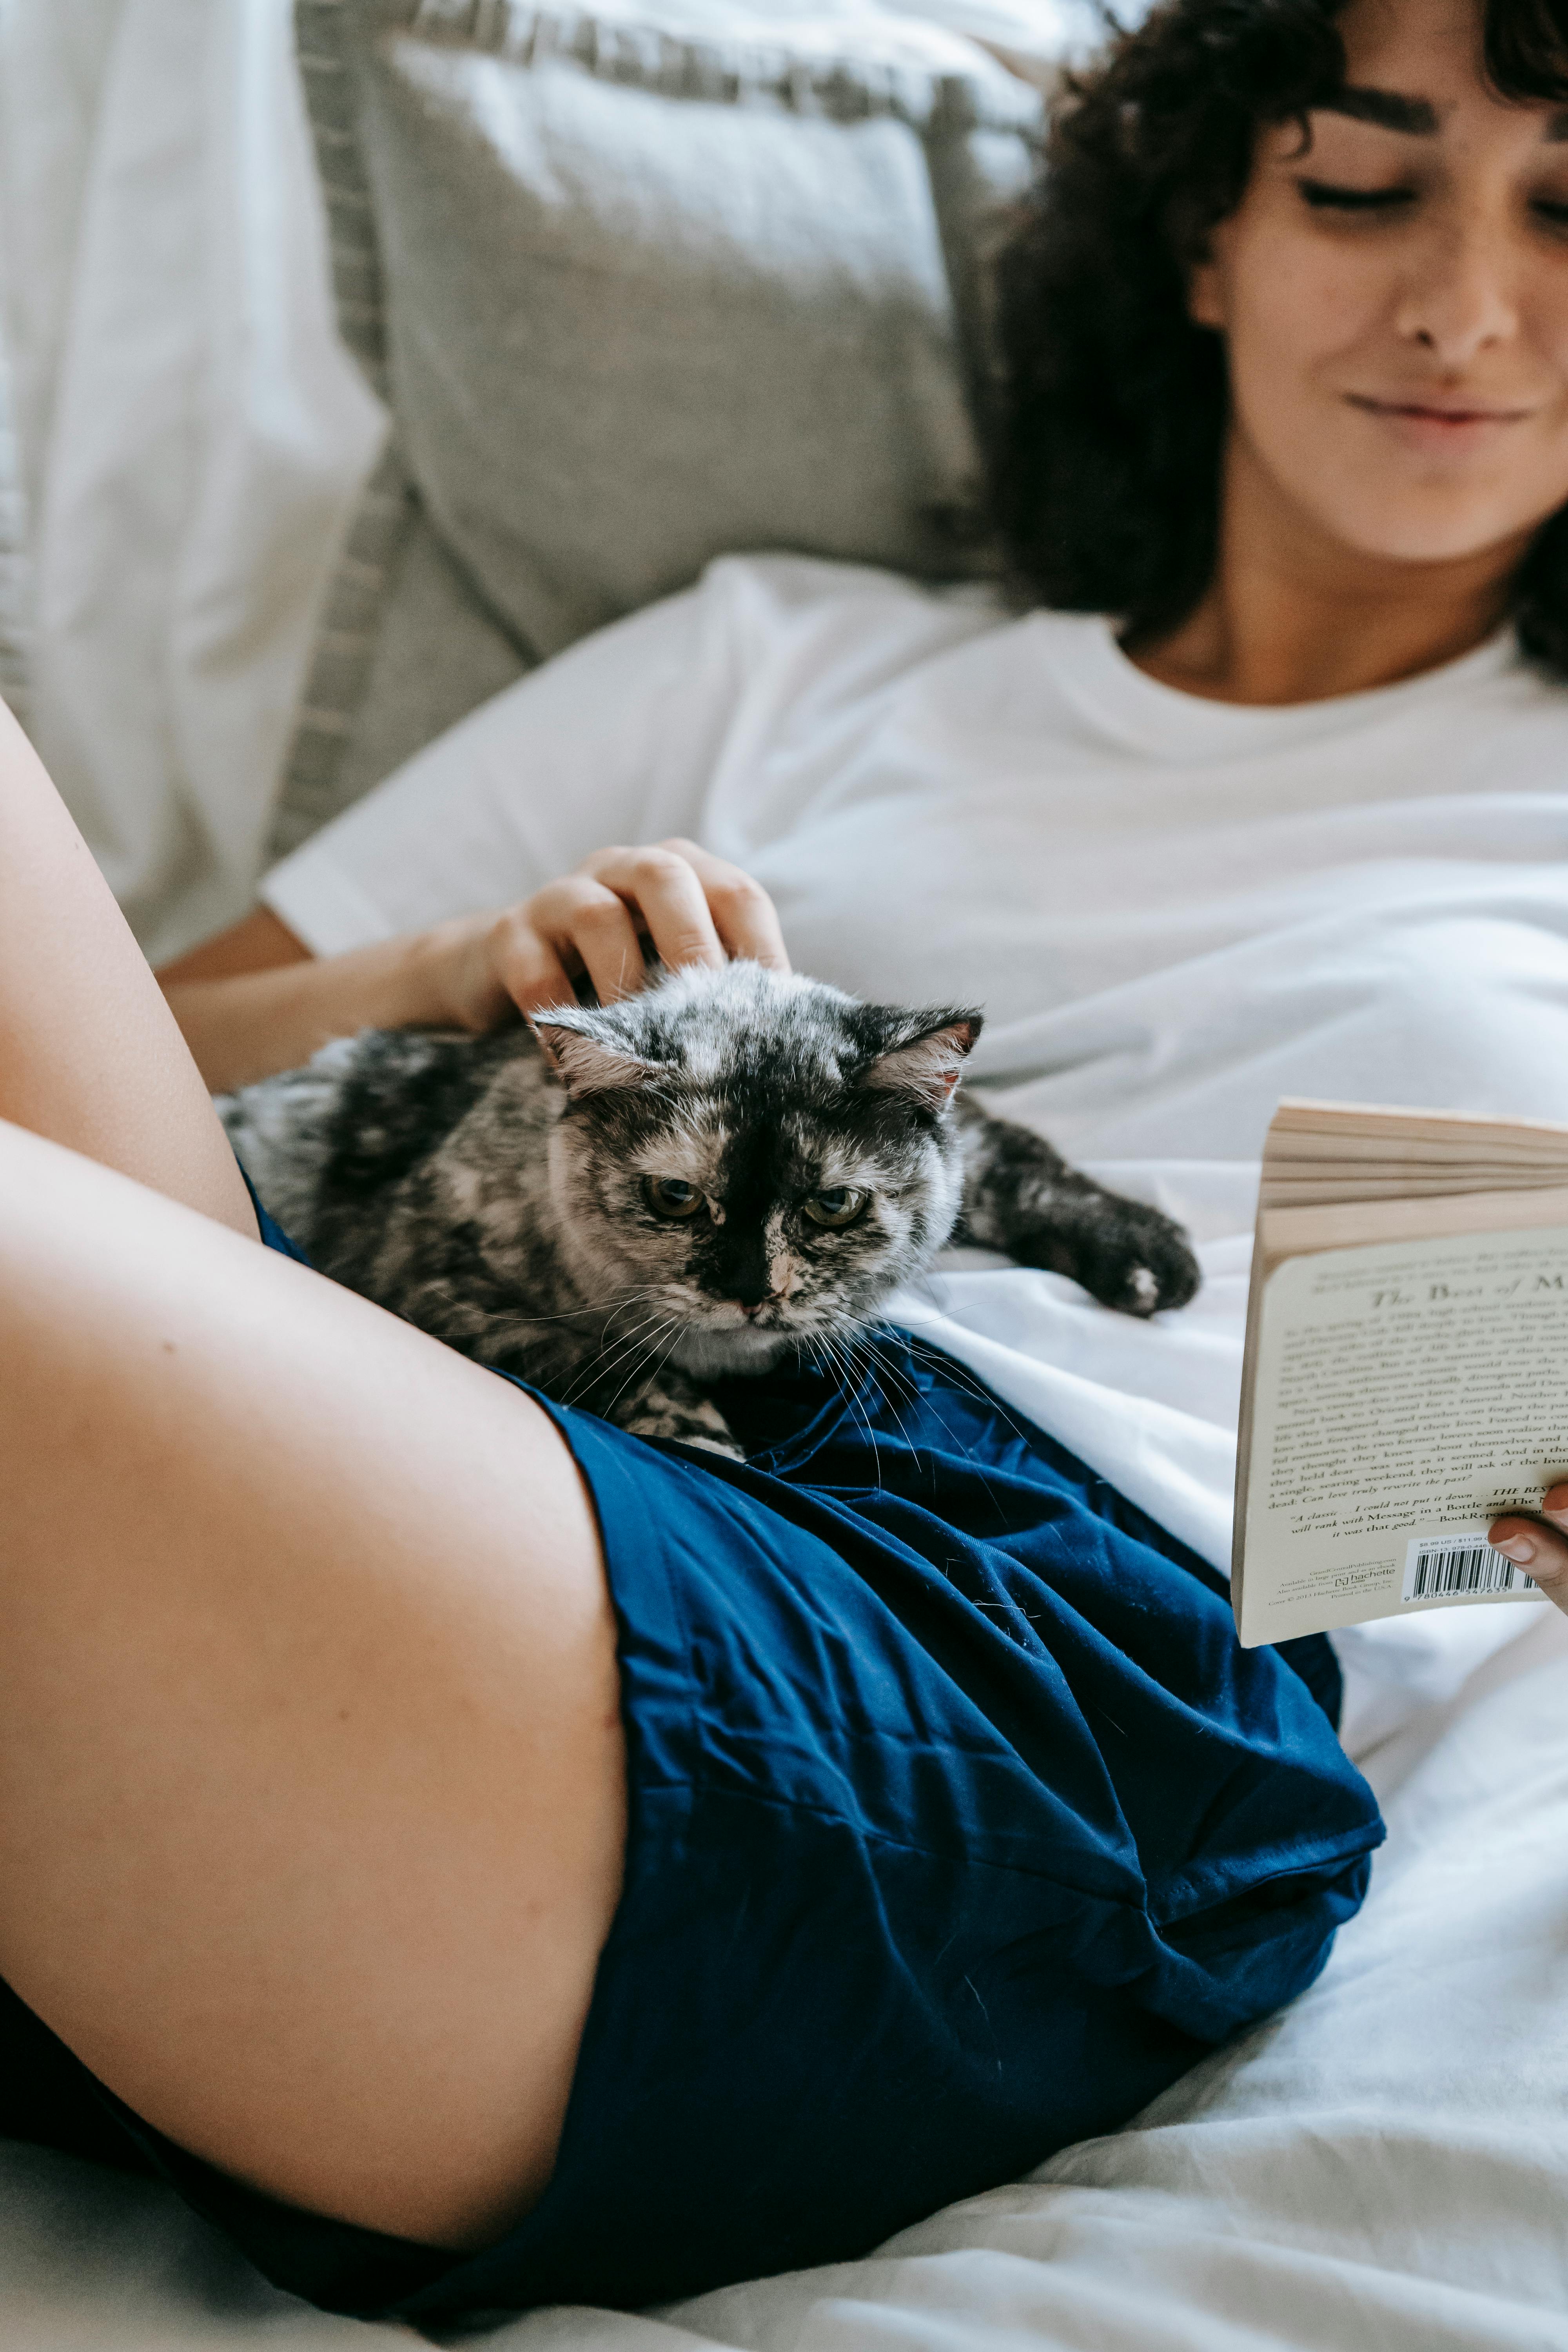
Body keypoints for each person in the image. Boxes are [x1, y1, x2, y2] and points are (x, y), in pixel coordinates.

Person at [0, 0, 1562, 2325]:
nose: (1463, 302)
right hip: (446, 1375)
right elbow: (145, 1046)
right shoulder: (787, 662)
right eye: (1361, 183)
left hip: (1026, 1640)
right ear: (1209, 239)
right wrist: (443, 970)